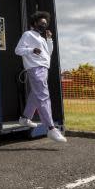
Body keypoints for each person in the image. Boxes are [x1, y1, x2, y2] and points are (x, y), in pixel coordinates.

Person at [14, 11, 67, 143]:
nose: (44, 25)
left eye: (45, 23)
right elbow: (18, 50)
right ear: (35, 23)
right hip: (35, 68)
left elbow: (48, 53)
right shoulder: (28, 34)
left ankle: (25, 118)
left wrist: (49, 39)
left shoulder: (42, 39)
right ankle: (51, 128)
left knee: (36, 94)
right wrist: (31, 50)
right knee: (43, 96)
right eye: (41, 23)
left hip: (44, 68)